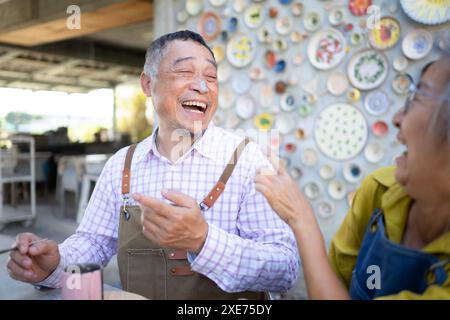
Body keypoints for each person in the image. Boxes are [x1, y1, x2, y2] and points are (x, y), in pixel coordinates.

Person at [7, 30, 299, 300]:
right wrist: (53, 265)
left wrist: (204, 240)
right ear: (148, 83)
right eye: (185, 71)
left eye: (211, 77)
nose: (201, 86)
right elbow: (93, 244)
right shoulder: (121, 165)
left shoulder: (248, 161)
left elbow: (284, 268)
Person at [255, 56, 450, 299]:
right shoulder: (381, 188)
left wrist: (301, 217)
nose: (398, 118)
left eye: (418, 97)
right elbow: (338, 272)